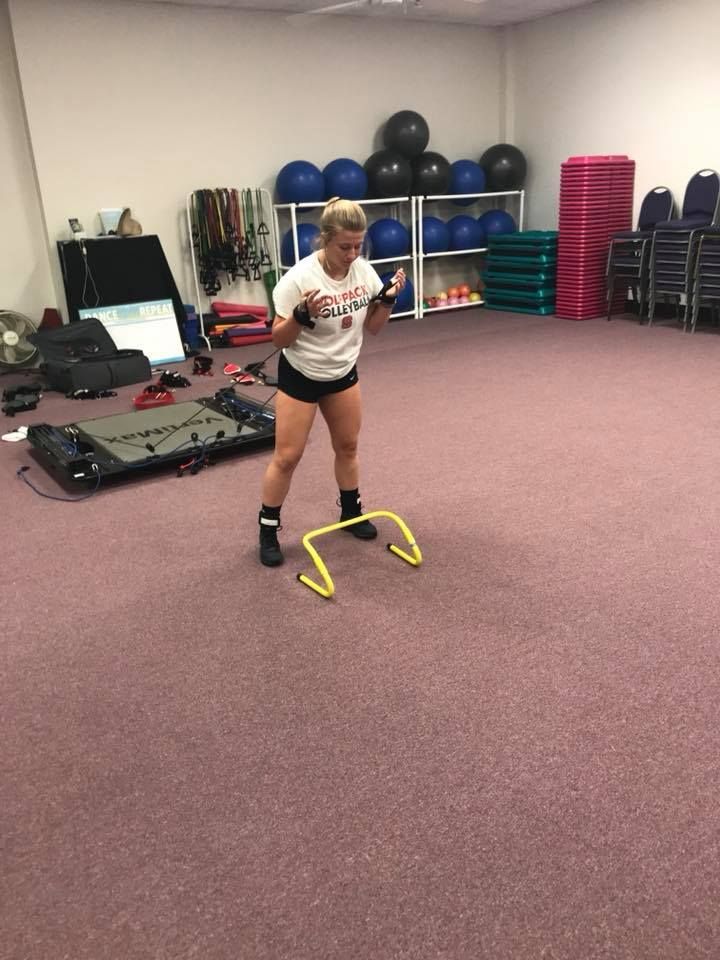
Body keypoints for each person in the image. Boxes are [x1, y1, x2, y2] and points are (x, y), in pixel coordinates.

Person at [257, 197, 406, 567]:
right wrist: (301, 314)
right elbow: (278, 339)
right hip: (302, 374)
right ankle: (268, 529)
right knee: (287, 457)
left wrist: (388, 300)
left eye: (358, 246)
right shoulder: (298, 279)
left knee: (348, 446)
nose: (352, 254)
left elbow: (373, 327)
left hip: (342, 372)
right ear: (325, 239)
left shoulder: (364, 272)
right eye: (344, 247)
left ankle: (351, 513)